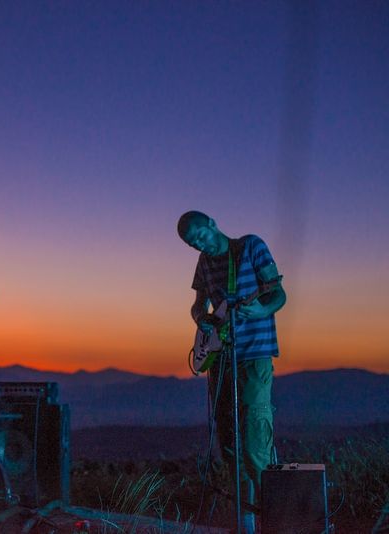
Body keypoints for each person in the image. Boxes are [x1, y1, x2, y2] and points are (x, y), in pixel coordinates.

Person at [177, 211, 286, 534]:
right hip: (221, 358)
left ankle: (277, 521)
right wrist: (202, 319)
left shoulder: (251, 246)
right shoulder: (204, 263)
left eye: (201, 236)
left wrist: (262, 309)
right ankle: (246, 524)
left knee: (254, 441)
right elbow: (198, 305)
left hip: (254, 355)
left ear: (212, 223)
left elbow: (278, 293)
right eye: (191, 242)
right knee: (229, 444)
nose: (199, 244)